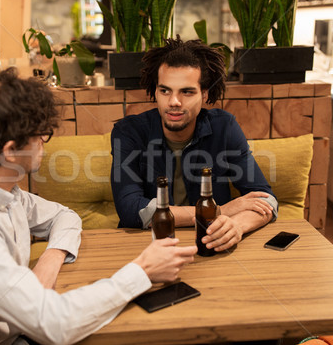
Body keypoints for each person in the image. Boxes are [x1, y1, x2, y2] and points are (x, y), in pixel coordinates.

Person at [0, 68, 197, 345]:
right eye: (41, 135)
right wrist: (142, 270)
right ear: (11, 152)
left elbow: (64, 216)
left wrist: (50, 259)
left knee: (134, 343)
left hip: (6, 342)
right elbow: (55, 326)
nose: (43, 144)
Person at [111, 37, 278, 253]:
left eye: (187, 92)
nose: (174, 101)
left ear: (205, 94)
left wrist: (237, 226)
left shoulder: (224, 127)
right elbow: (132, 210)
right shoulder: (129, 132)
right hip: (146, 248)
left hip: (212, 245)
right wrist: (220, 211)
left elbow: (267, 200)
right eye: (165, 91)